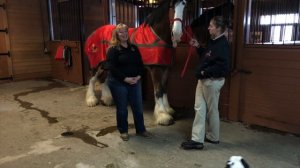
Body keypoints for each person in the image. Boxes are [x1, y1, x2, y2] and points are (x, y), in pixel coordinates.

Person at [181, 16, 230, 150]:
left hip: (211, 81)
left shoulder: (222, 45)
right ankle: (199, 139)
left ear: (219, 28)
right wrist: (198, 46)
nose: (208, 28)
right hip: (204, 81)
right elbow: (207, 56)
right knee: (200, 109)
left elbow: (223, 67)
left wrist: (204, 72)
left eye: (211, 26)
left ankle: (212, 137)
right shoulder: (213, 41)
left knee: (211, 111)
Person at [106, 23, 152, 141]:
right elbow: (111, 67)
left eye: (126, 31)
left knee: (138, 106)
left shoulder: (133, 48)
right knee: (122, 108)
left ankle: (141, 129)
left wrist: (138, 77)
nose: (124, 34)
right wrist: (125, 78)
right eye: (121, 32)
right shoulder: (113, 50)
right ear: (116, 34)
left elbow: (141, 65)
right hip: (118, 82)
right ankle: (123, 131)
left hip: (135, 81)